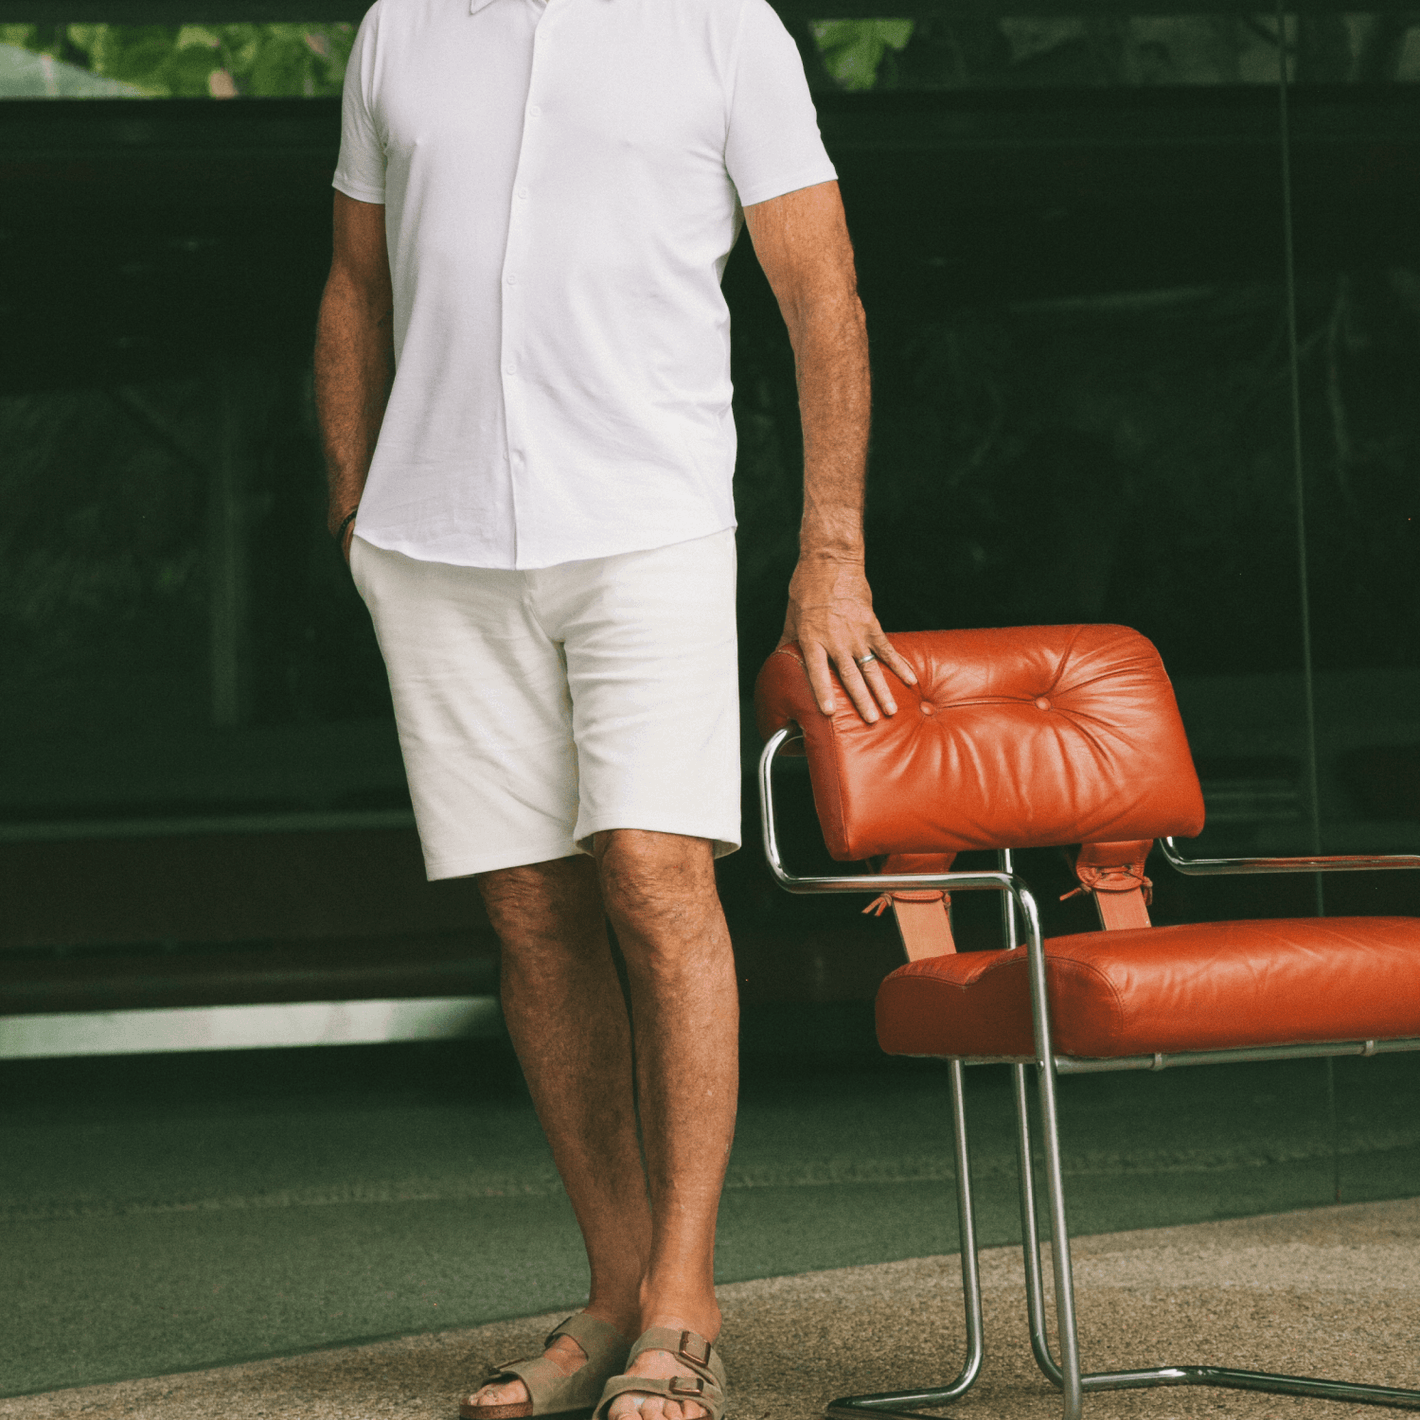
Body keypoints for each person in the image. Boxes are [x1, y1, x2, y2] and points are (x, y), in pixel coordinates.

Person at [313, 0, 915, 1417]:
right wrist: (352, 510)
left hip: (643, 526)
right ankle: (613, 1289)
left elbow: (821, 291)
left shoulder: (724, 29)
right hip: (436, 542)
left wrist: (832, 551)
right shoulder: (400, 28)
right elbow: (354, 284)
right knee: (529, 904)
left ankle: (687, 1310)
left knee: (654, 875)